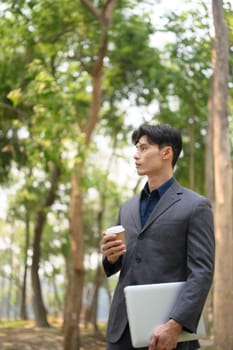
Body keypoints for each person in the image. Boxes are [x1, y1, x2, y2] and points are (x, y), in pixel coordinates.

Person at [101, 124, 215, 350]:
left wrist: (176, 324)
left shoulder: (195, 206)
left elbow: (202, 272)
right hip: (122, 330)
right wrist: (111, 258)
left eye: (143, 148)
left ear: (166, 153)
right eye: (136, 148)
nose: (136, 155)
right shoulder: (127, 208)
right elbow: (122, 262)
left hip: (168, 332)